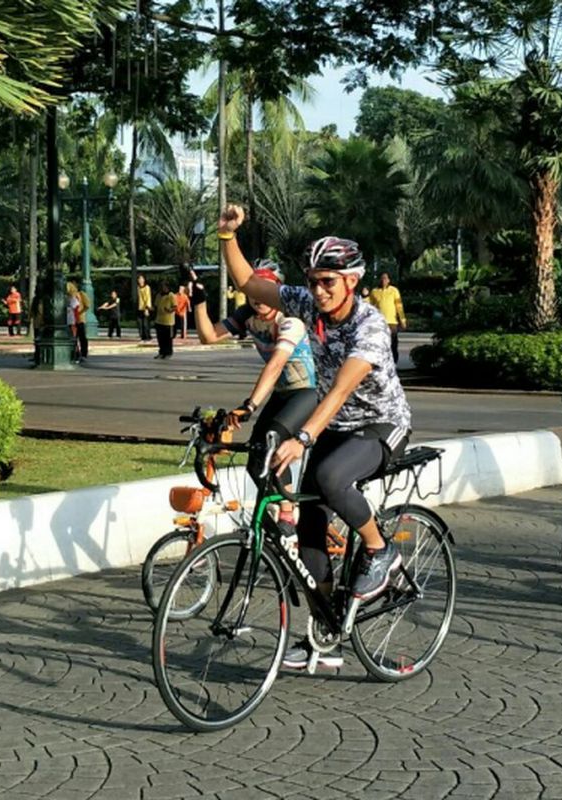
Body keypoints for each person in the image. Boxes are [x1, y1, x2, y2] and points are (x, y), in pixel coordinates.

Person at [218, 202, 412, 672]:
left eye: (329, 281)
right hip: (337, 425)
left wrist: (302, 437)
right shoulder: (306, 303)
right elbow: (250, 284)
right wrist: (227, 237)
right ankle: (326, 631)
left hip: (381, 425)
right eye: (313, 280)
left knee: (328, 476)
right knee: (308, 527)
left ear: (353, 281)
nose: (318, 290)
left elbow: (342, 388)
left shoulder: (369, 326)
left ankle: (381, 550)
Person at [189, 259, 318, 527]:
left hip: (308, 392)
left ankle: (286, 513)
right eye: (253, 288)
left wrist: (250, 406)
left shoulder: (290, 318)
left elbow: (275, 365)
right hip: (282, 394)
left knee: (272, 440)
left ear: (277, 290)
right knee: (255, 459)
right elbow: (208, 337)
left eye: (265, 288)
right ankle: (269, 525)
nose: (258, 295)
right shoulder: (247, 315)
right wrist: (199, 300)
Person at [367, 272, 408, 365]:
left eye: (385, 278)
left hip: (391, 322)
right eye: (382, 278)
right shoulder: (374, 291)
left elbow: (399, 306)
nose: (383, 280)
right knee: (379, 343)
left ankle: (394, 363)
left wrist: (403, 320)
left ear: (389, 280)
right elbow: (369, 305)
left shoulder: (394, 290)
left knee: (393, 343)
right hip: (379, 322)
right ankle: (380, 363)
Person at [65, 282, 89, 361]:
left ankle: (83, 353)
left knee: (81, 337)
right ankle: (77, 353)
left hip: (79, 318)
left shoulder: (80, 295)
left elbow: (87, 305)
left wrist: (80, 312)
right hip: (72, 319)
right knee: (75, 337)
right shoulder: (68, 297)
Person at [154, 281, 176, 359]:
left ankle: (168, 353)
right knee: (160, 338)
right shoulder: (158, 295)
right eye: (161, 287)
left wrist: (169, 310)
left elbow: (175, 306)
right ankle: (161, 352)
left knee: (168, 339)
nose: (162, 288)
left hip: (168, 322)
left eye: (164, 287)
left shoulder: (171, 295)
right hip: (159, 320)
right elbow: (156, 306)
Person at [137, 274, 152, 340]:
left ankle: (147, 336)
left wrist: (147, 308)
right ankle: (142, 336)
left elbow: (148, 298)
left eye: (141, 279)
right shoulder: (137, 288)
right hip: (139, 307)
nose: (140, 280)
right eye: (139, 279)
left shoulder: (147, 287)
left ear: (144, 280)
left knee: (145, 324)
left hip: (145, 308)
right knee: (140, 323)